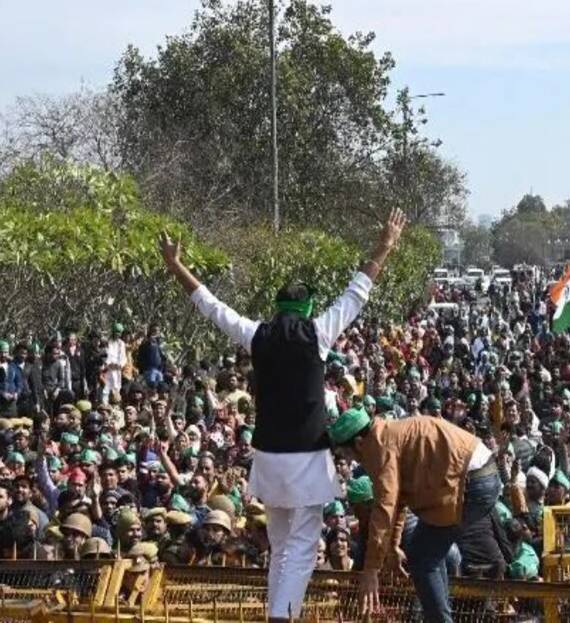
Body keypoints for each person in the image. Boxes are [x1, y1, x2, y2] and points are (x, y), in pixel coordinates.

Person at [159, 208, 407, 622]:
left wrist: (176, 266)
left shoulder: (257, 334)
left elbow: (211, 306)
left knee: (279, 544)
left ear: (277, 309)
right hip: (307, 461)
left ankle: (278, 612)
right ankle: (281, 617)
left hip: (269, 461)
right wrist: (383, 247)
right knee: (304, 546)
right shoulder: (319, 332)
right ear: (308, 308)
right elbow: (357, 292)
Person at [328, 408, 500, 622]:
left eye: (349, 455)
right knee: (426, 553)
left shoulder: (379, 447)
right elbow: (398, 501)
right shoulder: (388, 434)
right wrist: (392, 548)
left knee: (422, 555)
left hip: (473, 481)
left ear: (360, 444)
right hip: (480, 475)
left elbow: (385, 507)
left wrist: (371, 570)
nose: (355, 461)